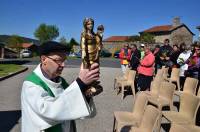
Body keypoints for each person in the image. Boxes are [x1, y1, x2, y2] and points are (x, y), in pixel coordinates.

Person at [21, 41, 100, 132]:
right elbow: (49, 111)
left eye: (64, 60)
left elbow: (70, 108)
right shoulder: (31, 85)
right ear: (43, 60)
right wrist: (80, 83)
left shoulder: (61, 82)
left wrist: (86, 94)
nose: (63, 65)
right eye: (58, 60)